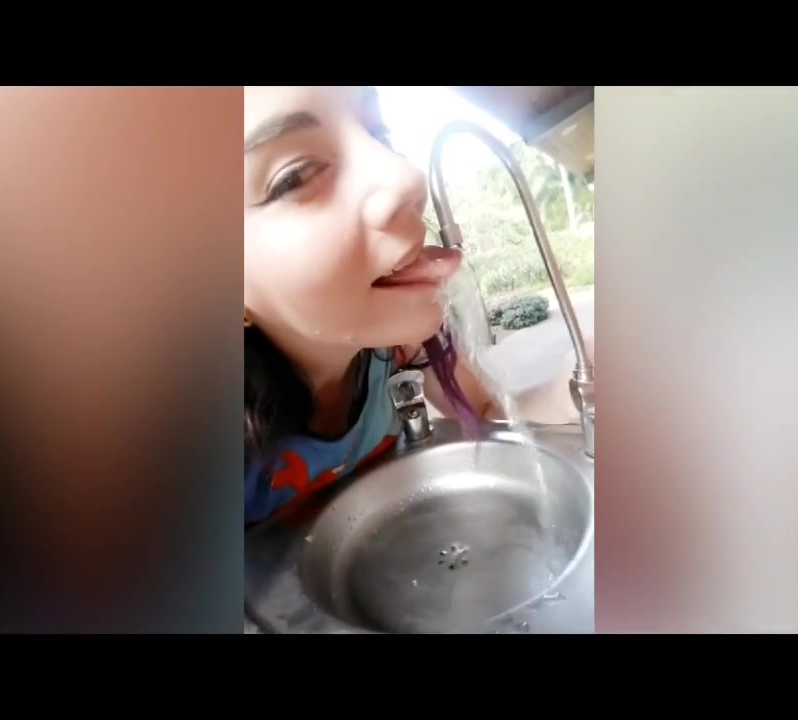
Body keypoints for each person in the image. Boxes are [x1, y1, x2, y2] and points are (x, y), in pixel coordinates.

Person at [243, 86, 584, 525]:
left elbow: (488, 414)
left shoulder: (402, 344)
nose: (406, 177)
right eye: (294, 176)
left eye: (378, 133)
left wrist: (571, 387)